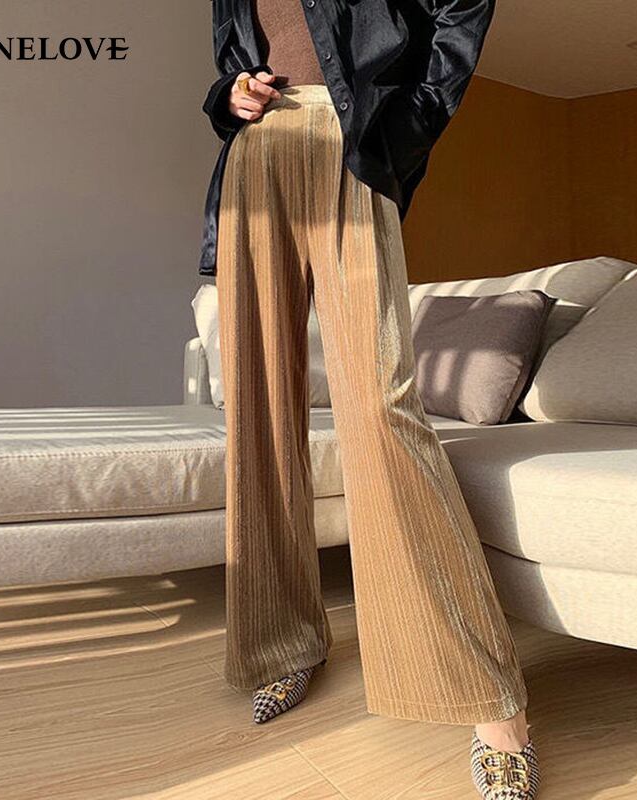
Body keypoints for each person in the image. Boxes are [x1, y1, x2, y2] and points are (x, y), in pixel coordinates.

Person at [200, 2, 540, 797]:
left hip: (350, 143)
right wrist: (232, 96)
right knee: (258, 406)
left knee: (384, 407)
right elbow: (231, 65)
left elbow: (461, 11)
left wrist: (406, 123)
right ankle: (280, 643)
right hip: (256, 157)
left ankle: (489, 700)